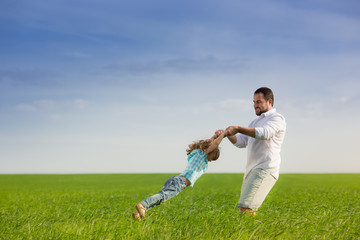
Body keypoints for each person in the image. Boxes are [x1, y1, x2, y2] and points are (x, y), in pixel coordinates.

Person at [218, 87, 286, 216]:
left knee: (246, 208)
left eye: (259, 102)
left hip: (265, 168)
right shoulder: (255, 122)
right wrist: (226, 134)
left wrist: (238, 128)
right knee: (244, 209)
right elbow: (241, 142)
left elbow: (264, 133)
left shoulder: (277, 118)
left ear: (269, 101)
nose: (255, 105)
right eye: (254, 102)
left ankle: (256, 235)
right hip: (252, 170)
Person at [132, 131, 226, 220]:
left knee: (161, 198)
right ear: (208, 151)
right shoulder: (202, 156)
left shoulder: (197, 153)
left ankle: (137, 213)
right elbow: (214, 145)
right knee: (163, 196)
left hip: (176, 180)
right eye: (212, 158)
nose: (210, 161)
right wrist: (224, 134)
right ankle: (143, 205)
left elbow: (208, 144)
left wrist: (214, 136)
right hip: (180, 182)